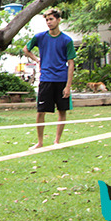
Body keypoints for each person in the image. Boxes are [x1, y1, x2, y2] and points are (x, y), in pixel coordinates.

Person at [22, 8, 76, 149]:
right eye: (47, 20)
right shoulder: (40, 37)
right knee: (41, 112)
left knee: (62, 111)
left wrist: (68, 86)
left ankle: (57, 141)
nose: (49, 22)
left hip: (61, 80)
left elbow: (71, 63)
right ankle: (40, 142)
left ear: (58, 20)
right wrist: (37, 59)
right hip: (46, 79)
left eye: (51, 19)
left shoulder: (67, 40)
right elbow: (26, 49)